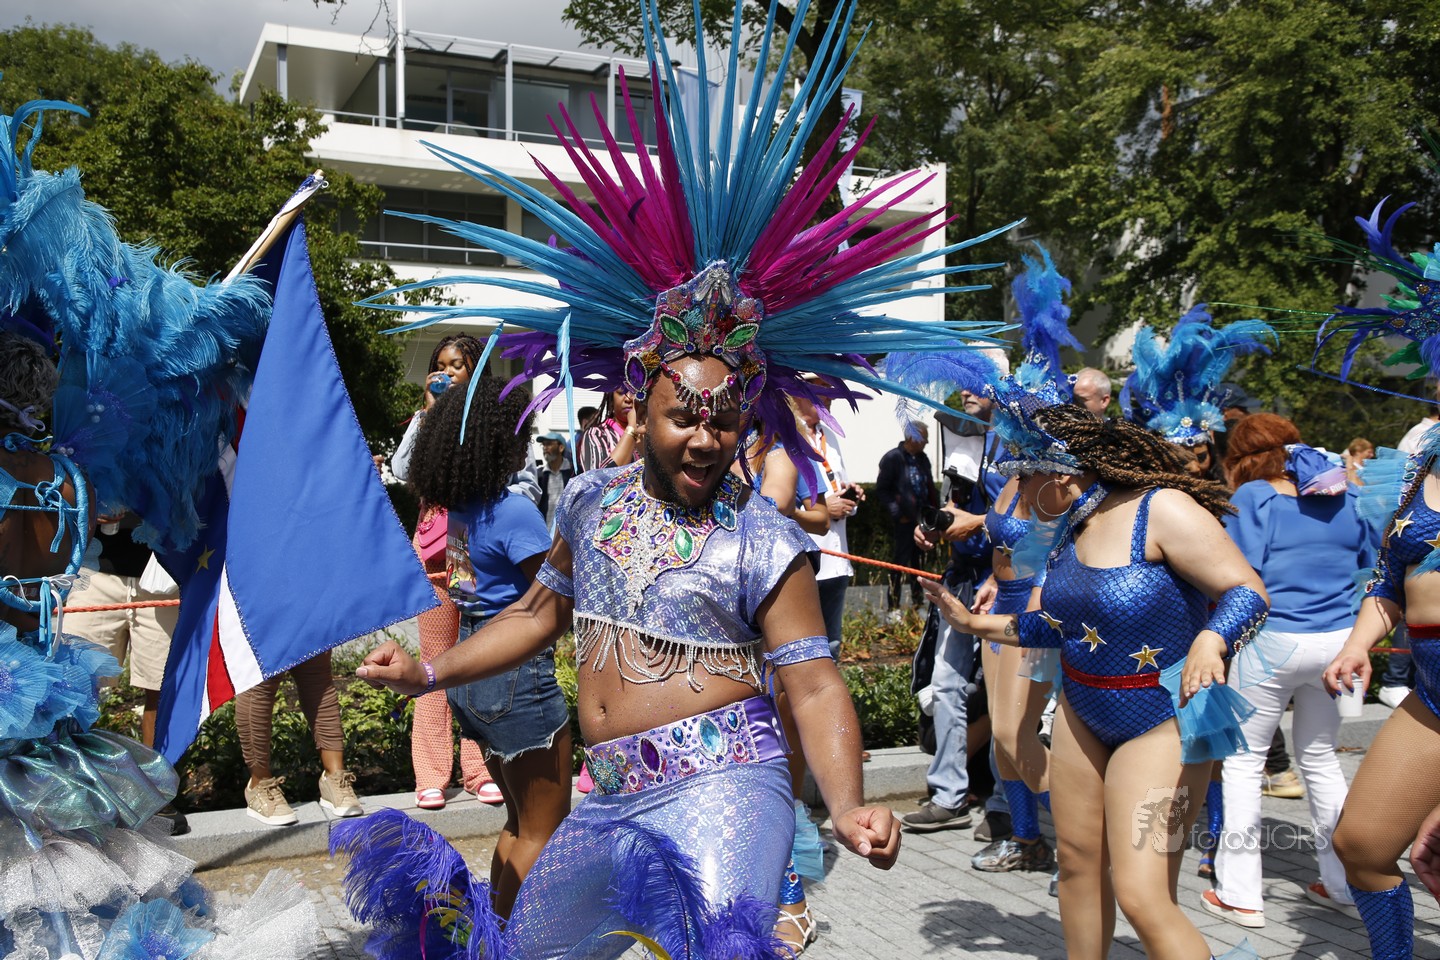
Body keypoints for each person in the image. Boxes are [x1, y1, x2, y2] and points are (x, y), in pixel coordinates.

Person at [355, 350, 899, 956]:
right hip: (612, 796)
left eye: (723, 422)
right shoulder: (590, 501)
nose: (705, 441)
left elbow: (815, 685)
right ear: (640, 409)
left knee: (718, 948)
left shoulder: (765, 537)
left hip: (727, 788)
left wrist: (847, 806)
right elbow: (536, 615)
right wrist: (428, 672)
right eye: (683, 418)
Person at [924, 401, 1269, 960]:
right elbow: (1063, 626)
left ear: (1061, 474)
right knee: (1078, 864)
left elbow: (1247, 592)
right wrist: (971, 623)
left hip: (1164, 717)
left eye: (1025, 476)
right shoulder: (1069, 526)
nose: (1018, 491)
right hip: (1083, 710)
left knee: (1143, 895)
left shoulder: (1162, 508)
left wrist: (1213, 639)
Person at [407, 378, 573, 917]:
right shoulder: (515, 511)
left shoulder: (461, 512)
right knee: (544, 828)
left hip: (473, 666)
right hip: (514, 674)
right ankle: (512, 941)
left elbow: (464, 589)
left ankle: (493, 931)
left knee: (520, 821)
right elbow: (550, 599)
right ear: (502, 441)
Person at [1203, 414, 1369, 928]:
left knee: (1243, 762)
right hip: (1339, 643)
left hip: (1271, 641)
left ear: (1242, 457)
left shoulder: (1255, 498)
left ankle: (1240, 895)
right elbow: (1369, 563)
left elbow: (1235, 571)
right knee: (1320, 758)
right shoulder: (1349, 494)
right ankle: (1345, 884)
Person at [394, 333, 502, 809]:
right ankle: (432, 774)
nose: (446, 372)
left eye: (457, 364)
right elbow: (402, 469)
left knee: (475, 661)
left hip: (473, 549)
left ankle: (480, 771)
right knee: (435, 663)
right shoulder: (427, 418)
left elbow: (507, 477)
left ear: (475, 370)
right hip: (434, 552)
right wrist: (428, 413)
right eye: (440, 364)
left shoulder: (491, 420)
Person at [904, 390, 1004, 834]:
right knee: (945, 685)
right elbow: (954, 510)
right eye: (962, 383)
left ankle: (1006, 806)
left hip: (1007, 584)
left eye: (975, 382)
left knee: (1004, 694)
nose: (965, 392)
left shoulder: (1016, 443)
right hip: (962, 581)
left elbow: (1034, 519)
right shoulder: (959, 437)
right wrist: (930, 528)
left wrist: (979, 529)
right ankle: (949, 796)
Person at [61, 516, 187, 832]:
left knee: (161, 688)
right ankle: (73, 796)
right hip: (93, 572)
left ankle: (158, 797)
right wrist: (92, 503)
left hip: (164, 572)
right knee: (72, 689)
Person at [794, 381, 864, 660]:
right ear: (798, 393)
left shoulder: (829, 435)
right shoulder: (784, 434)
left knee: (831, 645)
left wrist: (849, 499)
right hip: (804, 560)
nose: (831, 396)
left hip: (837, 559)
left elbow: (835, 487)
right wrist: (823, 509)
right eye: (823, 389)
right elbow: (773, 501)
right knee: (800, 646)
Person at [875, 420, 938, 613]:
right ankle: (893, 607)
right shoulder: (893, 458)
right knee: (899, 563)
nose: (927, 443)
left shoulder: (923, 459)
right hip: (903, 523)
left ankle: (917, 604)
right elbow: (882, 490)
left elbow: (930, 487)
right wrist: (897, 513)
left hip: (922, 521)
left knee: (919, 564)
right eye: (924, 438)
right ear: (913, 437)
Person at [575, 388, 639, 472]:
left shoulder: (649, 432)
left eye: (635, 392)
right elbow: (598, 477)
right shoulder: (596, 434)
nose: (628, 398)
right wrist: (632, 429)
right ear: (611, 399)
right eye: (621, 392)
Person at [536, 431, 576, 528]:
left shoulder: (574, 473)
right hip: (546, 530)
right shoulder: (540, 475)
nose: (545, 448)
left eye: (549, 444)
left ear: (561, 448)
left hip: (567, 531)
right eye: (543, 445)